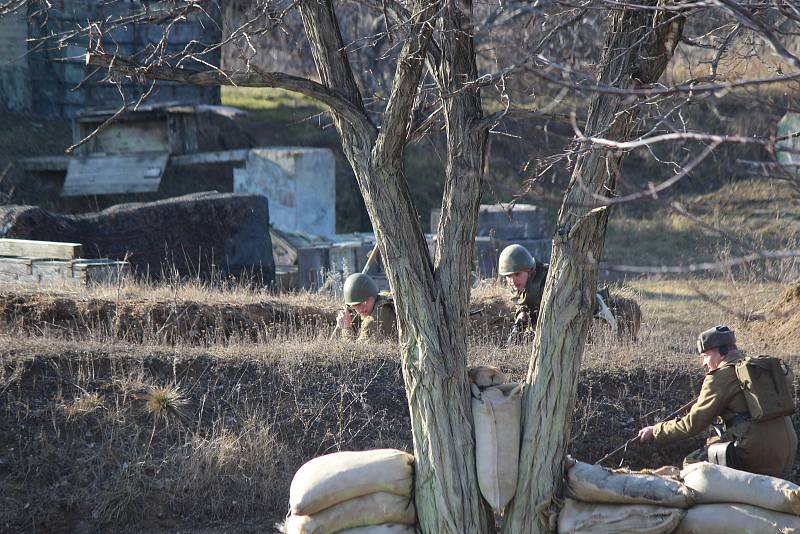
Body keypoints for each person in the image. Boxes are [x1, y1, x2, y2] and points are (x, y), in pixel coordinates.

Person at [638, 325, 797, 477]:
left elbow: (692, 424)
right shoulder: (757, 368)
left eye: (705, 355)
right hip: (788, 447)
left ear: (721, 352)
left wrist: (656, 430)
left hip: (756, 449)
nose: (704, 363)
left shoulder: (720, 377)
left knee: (693, 464)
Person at [498, 244, 620, 339]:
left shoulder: (546, 283)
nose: (513, 281)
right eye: (508, 276)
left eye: (517, 274)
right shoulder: (520, 285)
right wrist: (522, 313)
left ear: (529, 270)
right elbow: (524, 302)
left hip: (586, 313)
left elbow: (567, 311)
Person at [337, 273, 397, 342]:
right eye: (356, 305)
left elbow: (355, 351)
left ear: (373, 296)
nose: (361, 308)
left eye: (364, 302)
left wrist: (346, 328)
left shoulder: (374, 320)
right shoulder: (381, 300)